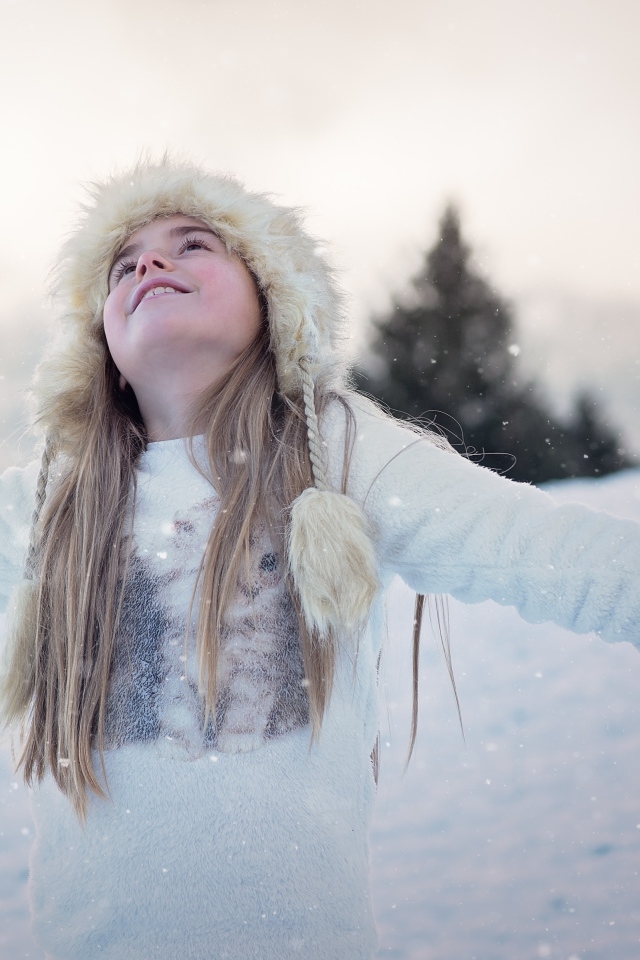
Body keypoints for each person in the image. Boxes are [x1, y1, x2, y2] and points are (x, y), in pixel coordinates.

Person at [0, 159, 638, 960]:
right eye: (122, 266)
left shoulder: (335, 452)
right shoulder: (47, 501)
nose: (150, 263)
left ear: (274, 298)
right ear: (98, 346)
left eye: (193, 244)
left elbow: (557, 557)